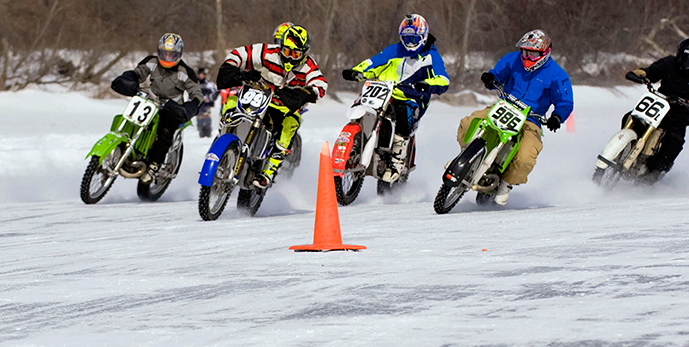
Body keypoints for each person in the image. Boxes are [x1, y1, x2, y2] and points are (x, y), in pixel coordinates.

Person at [456, 29, 573, 205]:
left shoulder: (558, 75)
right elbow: (498, 73)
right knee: (468, 123)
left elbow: (565, 102)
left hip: (530, 120)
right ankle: (468, 157)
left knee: (526, 157)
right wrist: (491, 77)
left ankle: (506, 183)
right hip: (503, 107)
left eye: (532, 54)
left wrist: (557, 117)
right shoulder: (513, 59)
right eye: (524, 52)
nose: (527, 57)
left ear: (544, 53)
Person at [342, 14, 450, 182]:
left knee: (403, 116)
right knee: (362, 103)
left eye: (414, 38)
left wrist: (427, 85)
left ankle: (397, 161)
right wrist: (357, 71)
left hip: (413, 97)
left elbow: (443, 79)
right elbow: (374, 63)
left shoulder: (431, 56)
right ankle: (357, 142)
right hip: (385, 91)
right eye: (407, 38)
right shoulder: (394, 50)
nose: (410, 43)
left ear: (423, 37)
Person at [216, 24, 327, 188]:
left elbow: (321, 85)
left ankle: (269, 171)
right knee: (232, 101)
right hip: (258, 95)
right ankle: (223, 139)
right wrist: (234, 69)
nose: (290, 57)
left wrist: (304, 94)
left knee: (291, 124)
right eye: (287, 52)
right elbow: (239, 53)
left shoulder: (308, 65)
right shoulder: (267, 51)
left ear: (304, 54)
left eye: (295, 54)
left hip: (284, 107)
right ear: (281, 47)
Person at [111, 33, 204, 182]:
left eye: (171, 54)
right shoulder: (151, 62)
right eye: (164, 53)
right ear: (159, 51)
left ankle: (155, 165)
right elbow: (137, 73)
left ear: (178, 54)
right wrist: (128, 80)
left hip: (172, 109)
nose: (167, 57)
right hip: (150, 100)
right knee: (129, 118)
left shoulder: (185, 72)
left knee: (165, 131)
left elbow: (197, 94)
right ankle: (123, 148)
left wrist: (189, 107)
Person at [625, 37, 689, 182]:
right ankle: (624, 149)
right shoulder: (669, 63)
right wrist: (641, 73)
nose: (685, 61)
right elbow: (652, 71)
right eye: (682, 56)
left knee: (674, 143)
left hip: (678, 117)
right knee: (629, 117)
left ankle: (651, 175)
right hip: (656, 108)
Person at [196, 68, 219, 138]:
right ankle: (201, 135)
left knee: (207, 121)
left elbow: (216, 92)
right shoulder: (195, 84)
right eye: (200, 74)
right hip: (198, 107)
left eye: (203, 74)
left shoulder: (209, 85)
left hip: (206, 107)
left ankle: (208, 134)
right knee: (200, 123)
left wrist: (209, 98)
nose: (201, 76)